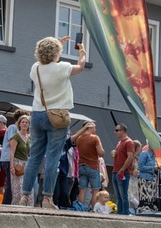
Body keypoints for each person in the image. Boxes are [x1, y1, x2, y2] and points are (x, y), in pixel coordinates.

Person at [19, 36, 85, 209]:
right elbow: (80, 67)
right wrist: (82, 53)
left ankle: (25, 196)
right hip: (57, 116)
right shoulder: (63, 67)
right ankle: (47, 198)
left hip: (37, 114)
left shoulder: (35, 68)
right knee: (53, 159)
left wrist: (56, 46)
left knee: (34, 157)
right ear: (57, 53)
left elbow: (47, 60)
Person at [72, 121, 104, 210]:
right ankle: (94, 210)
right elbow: (101, 152)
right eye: (94, 127)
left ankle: (81, 209)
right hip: (93, 166)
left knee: (82, 190)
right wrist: (103, 152)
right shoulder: (95, 138)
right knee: (95, 190)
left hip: (81, 166)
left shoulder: (79, 138)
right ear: (89, 127)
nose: (95, 129)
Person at [111, 123, 135, 215]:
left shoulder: (129, 142)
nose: (115, 132)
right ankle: (119, 213)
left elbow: (130, 157)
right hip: (115, 171)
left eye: (117, 130)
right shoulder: (119, 142)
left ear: (123, 131)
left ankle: (125, 213)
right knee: (118, 195)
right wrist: (113, 153)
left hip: (122, 172)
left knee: (123, 195)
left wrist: (122, 169)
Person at [9, 115, 30, 205]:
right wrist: (11, 166)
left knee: (27, 188)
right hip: (17, 163)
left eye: (26, 122)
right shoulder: (16, 137)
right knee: (18, 189)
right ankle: (16, 206)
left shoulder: (29, 138)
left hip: (26, 164)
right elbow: (12, 152)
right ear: (19, 124)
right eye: (23, 122)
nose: (24, 124)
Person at [137, 140, 159, 213]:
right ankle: (143, 210)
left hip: (152, 179)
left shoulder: (155, 156)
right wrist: (153, 168)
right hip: (144, 178)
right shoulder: (144, 154)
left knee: (151, 198)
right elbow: (140, 167)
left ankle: (149, 209)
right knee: (144, 197)